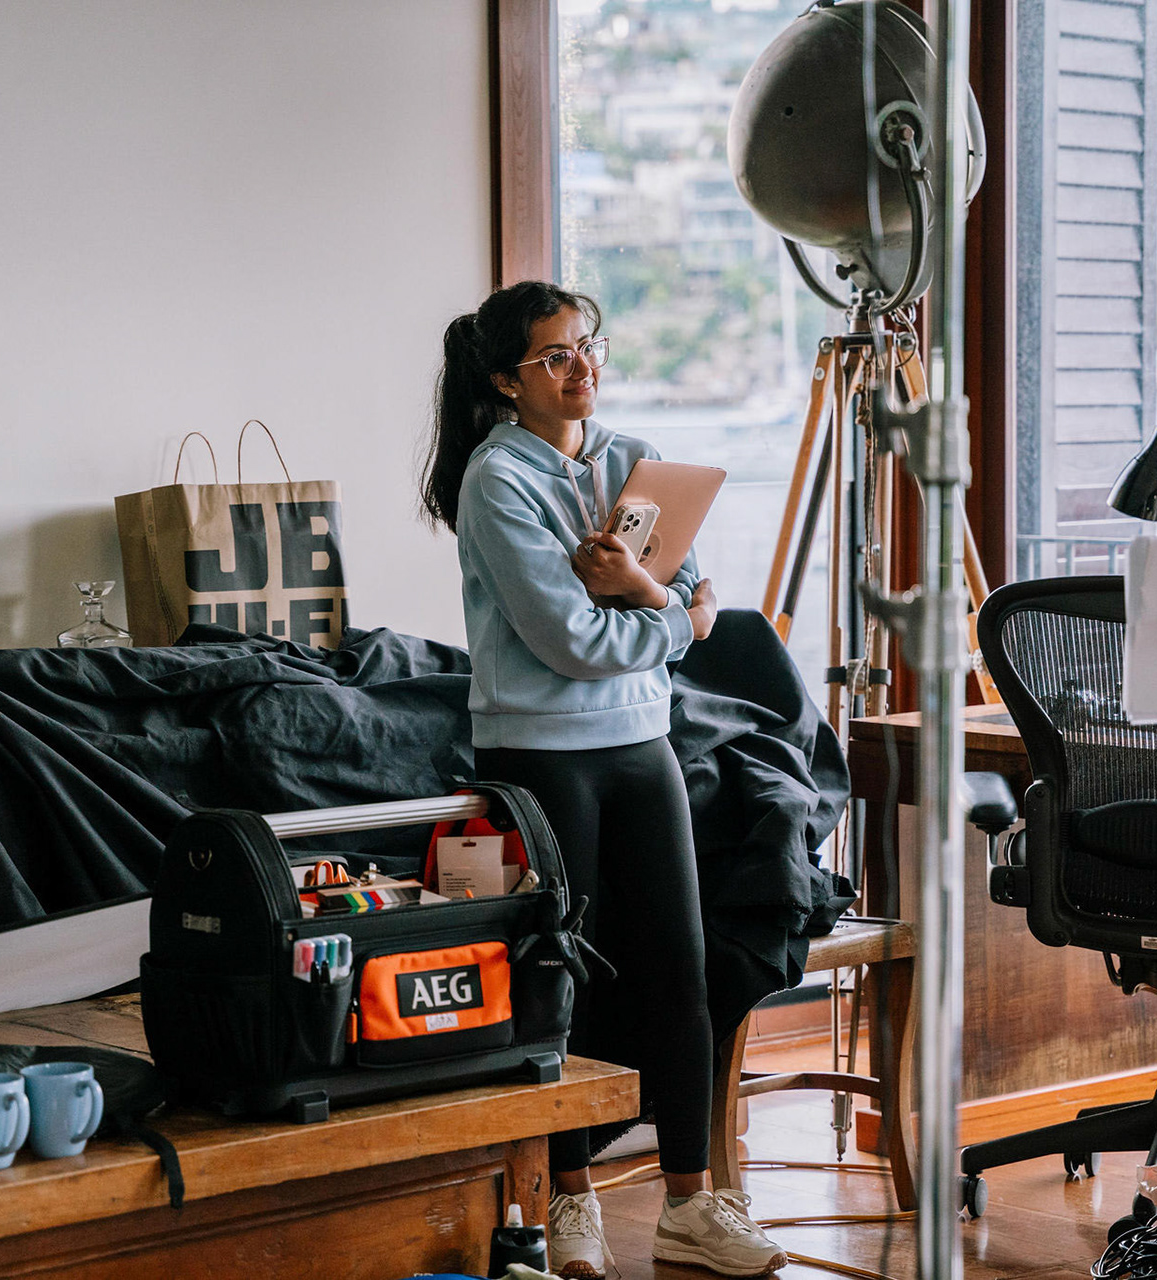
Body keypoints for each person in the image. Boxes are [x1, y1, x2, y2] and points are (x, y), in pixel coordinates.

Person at [422, 281, 786, 1279]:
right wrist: (667, 612)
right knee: (560, 976)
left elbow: (698, 593)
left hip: (642, 741)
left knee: (680, 967)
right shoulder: (497, 480)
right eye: (555, 355)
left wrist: (643, 590)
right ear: (508, 381)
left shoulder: (636, 459)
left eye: (588, 345)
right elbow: (575, 642)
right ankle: (568, 1200)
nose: (582, 366)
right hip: (540, 752)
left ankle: (690, 1204)